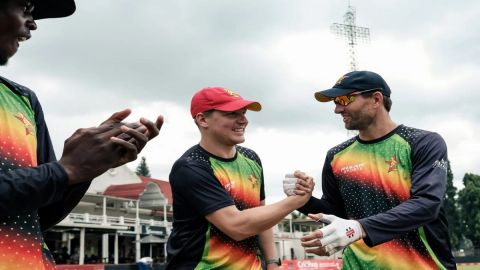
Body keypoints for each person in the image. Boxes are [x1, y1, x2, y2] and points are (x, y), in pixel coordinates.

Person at [0, 0, 162, 268]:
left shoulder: (24, 99)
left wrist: (91, 167)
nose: (33, 23)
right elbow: (58, 173)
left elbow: (40, 215)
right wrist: (69, 168)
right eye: (26, 8)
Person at [293, 71, 455, 269]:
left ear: (376, 99)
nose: (337, 109)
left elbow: (426, 203)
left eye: (344, 99)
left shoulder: (422, 142)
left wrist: (360, 228)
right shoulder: (336, 156)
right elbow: (337, 213)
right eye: (335, 102)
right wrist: (301, 199)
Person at [166, 87, 314, 269]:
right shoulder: (191, 167)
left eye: (243, 113)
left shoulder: (251, 158)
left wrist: (273, 263)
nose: (244, 120)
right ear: (203, 119)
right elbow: (237, 227)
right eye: (232, 114)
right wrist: (295, 201)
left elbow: (262, 216)